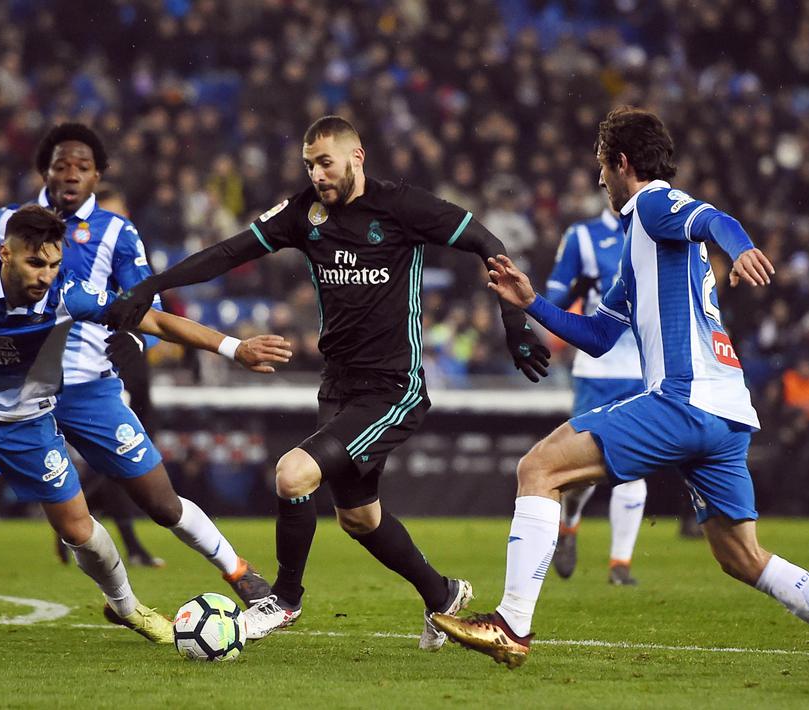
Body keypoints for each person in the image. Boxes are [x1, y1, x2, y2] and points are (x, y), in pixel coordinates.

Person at [432, 107, 809, 684]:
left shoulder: (654, 203)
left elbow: (712, 218)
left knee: (539, 467)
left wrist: (745, 247)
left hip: (684, 398)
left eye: (602, 168)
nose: (600, 180)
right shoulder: (641, 243)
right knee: (742, 557)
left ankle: (511, 624)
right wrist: (531, 303)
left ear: (621, 163)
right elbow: (602, 336)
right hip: (727, 412)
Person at [106, 115, 552, 647]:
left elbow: (487, 241)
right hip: (338, 387)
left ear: (356, 157)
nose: (317, 174)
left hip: (393, 387)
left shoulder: (402, 206)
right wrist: (152, 285)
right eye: (308, 164)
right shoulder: (303, 213)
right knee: (360, 519)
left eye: (325, 162)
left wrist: (513, 320)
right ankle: (443, 596)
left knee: (292, 474)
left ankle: (284, 601)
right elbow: (228, 253)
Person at [0, 124, 277, 640]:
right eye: (62, 165)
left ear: (97, 175)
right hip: (7, 395)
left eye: (82, 167)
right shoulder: (6, 224)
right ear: (45, 170)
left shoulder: (117, 231)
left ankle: (239, 572)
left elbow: (148, 310)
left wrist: (138, 345)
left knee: (159, 499)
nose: (70, 175)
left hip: (88, 389)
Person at [544, 209, 647, 585]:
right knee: (583, 472)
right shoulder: (582, 235)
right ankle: (568, 524)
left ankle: (620, 565)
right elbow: (555, 290)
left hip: (643, 371)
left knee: (634, 468)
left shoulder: (657, 229)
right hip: (596, 372)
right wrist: (567, 295)